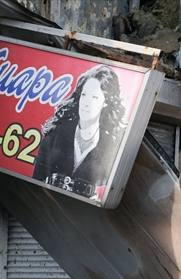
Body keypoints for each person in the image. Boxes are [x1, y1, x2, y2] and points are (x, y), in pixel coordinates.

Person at [31, 64, 126, 200]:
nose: (86, 103)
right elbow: (35, 182)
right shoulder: (55, 134)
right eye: (84, 95)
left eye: (94, 97)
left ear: (105, 102)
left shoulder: (112, 147)